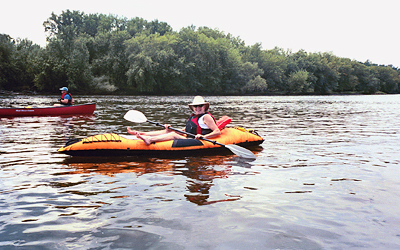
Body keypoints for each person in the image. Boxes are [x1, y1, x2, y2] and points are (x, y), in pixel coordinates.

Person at [127, 96, 221, 145]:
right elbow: (185, 130)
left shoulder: (206, 117)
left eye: (200, 106)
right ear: (192, 107)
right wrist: (170, 128)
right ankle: (142, 134)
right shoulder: (193, 116)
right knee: (168, 131)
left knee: (173, 135)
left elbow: (217, 132)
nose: (198, 108)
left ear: (204, 106)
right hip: (190, 138)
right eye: (195, 106)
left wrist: (204, 136)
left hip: (198, 141)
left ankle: (150, 140)